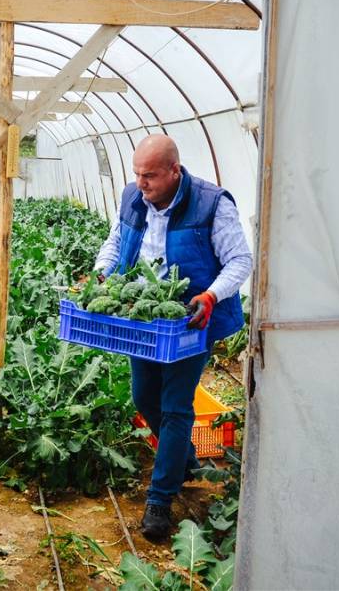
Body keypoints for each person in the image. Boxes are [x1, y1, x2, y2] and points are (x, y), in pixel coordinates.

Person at [93, 134, 252, 542]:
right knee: (144, 397)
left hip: (188, 322)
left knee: (176, 406)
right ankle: (186, 462)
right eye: (137, 174)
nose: (141, 183)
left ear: (174, 171)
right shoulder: (133, 198)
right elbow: (115, 240)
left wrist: (211, 295)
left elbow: (240, 260)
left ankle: (160, 500)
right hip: (146, 320)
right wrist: (104, 270)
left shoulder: (212, 204)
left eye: (150, 176)